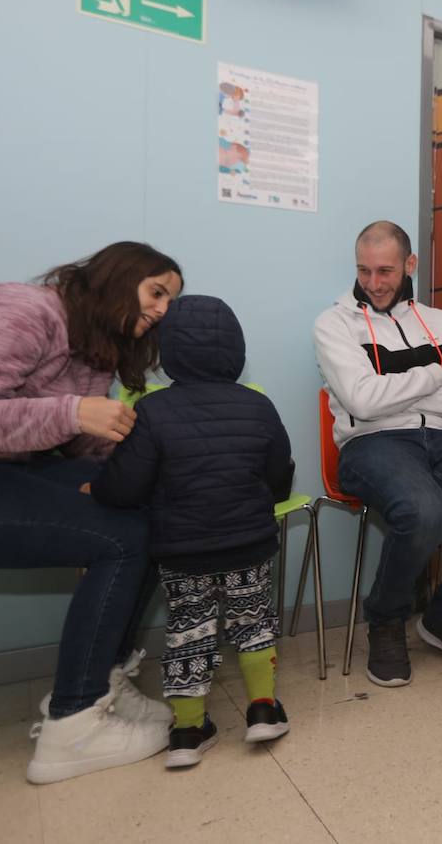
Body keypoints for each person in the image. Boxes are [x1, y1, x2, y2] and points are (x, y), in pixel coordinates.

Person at [0, 241, 180, 784]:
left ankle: (104, 685)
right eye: (157, 292)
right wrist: (74, 413)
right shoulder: (18, 309)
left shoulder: (91, 349)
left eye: (169, 301)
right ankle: (74, 724)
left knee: (152, 511)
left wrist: (142, 465)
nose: (163, 309)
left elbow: (79, 448)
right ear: (118, 278)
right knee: (121, 539)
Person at [313, 221, 442, 687]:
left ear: (410, 264)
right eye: (364, 271)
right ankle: (386, 619)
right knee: (425, 512)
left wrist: (393, 390)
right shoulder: (334, 323)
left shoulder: (438, 322)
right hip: (372, 444)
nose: (374, 283)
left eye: (385, 271)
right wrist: (434, 376)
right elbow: (364, 403)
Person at [88, 295, 295, 768]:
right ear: (236, 349)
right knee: (252, 623)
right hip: (249, 543)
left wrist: (96, 488)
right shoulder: (258, 405)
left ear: (167, 351)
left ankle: (186, 732)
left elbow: (124, 486)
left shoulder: (154, 412)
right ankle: (263, 709)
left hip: (183, 552)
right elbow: (279, 473)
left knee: (189, 631)